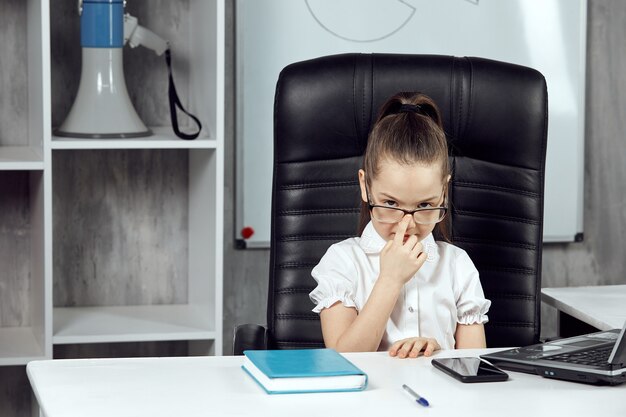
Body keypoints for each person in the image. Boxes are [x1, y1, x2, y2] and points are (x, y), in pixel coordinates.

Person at [309, 92, 491, 359]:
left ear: (444, 192)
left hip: (442, 398)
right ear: (365, 186)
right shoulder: (342, 261)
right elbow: (343, 359)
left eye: (426, 206)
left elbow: (475, 367)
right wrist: (390, 279)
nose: (407, 225)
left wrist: (439, 351)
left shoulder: (457, 265)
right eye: (391, 203)